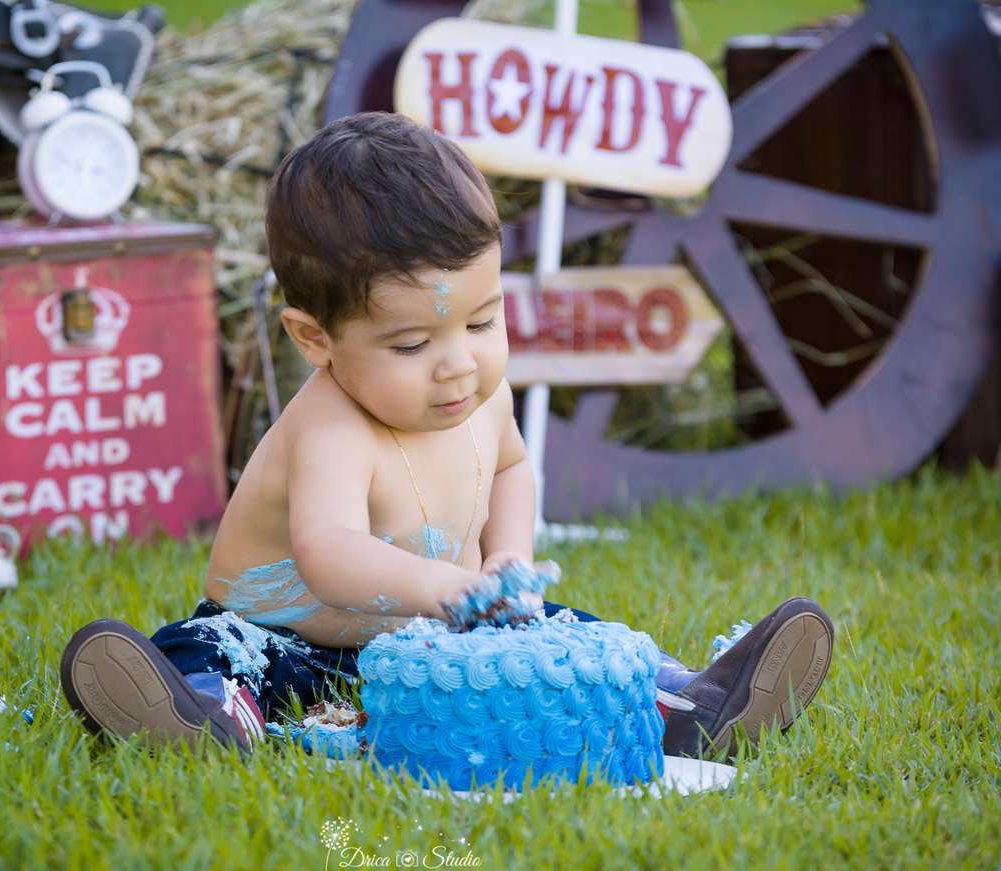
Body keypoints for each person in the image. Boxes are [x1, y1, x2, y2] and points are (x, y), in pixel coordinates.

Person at [60, 111, 833, 761]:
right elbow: (328, 554)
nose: (458, 364)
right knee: (220, 654)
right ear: (315, 338)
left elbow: (512, 473)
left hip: (441, 632)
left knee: (575, 643)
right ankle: (204, 719)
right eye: (410, 346)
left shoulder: (477, 395)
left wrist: (507, 562)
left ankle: (684, 704)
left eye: (483, 320)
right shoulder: (329, 425)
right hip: (294, 637)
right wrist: (447, 591)